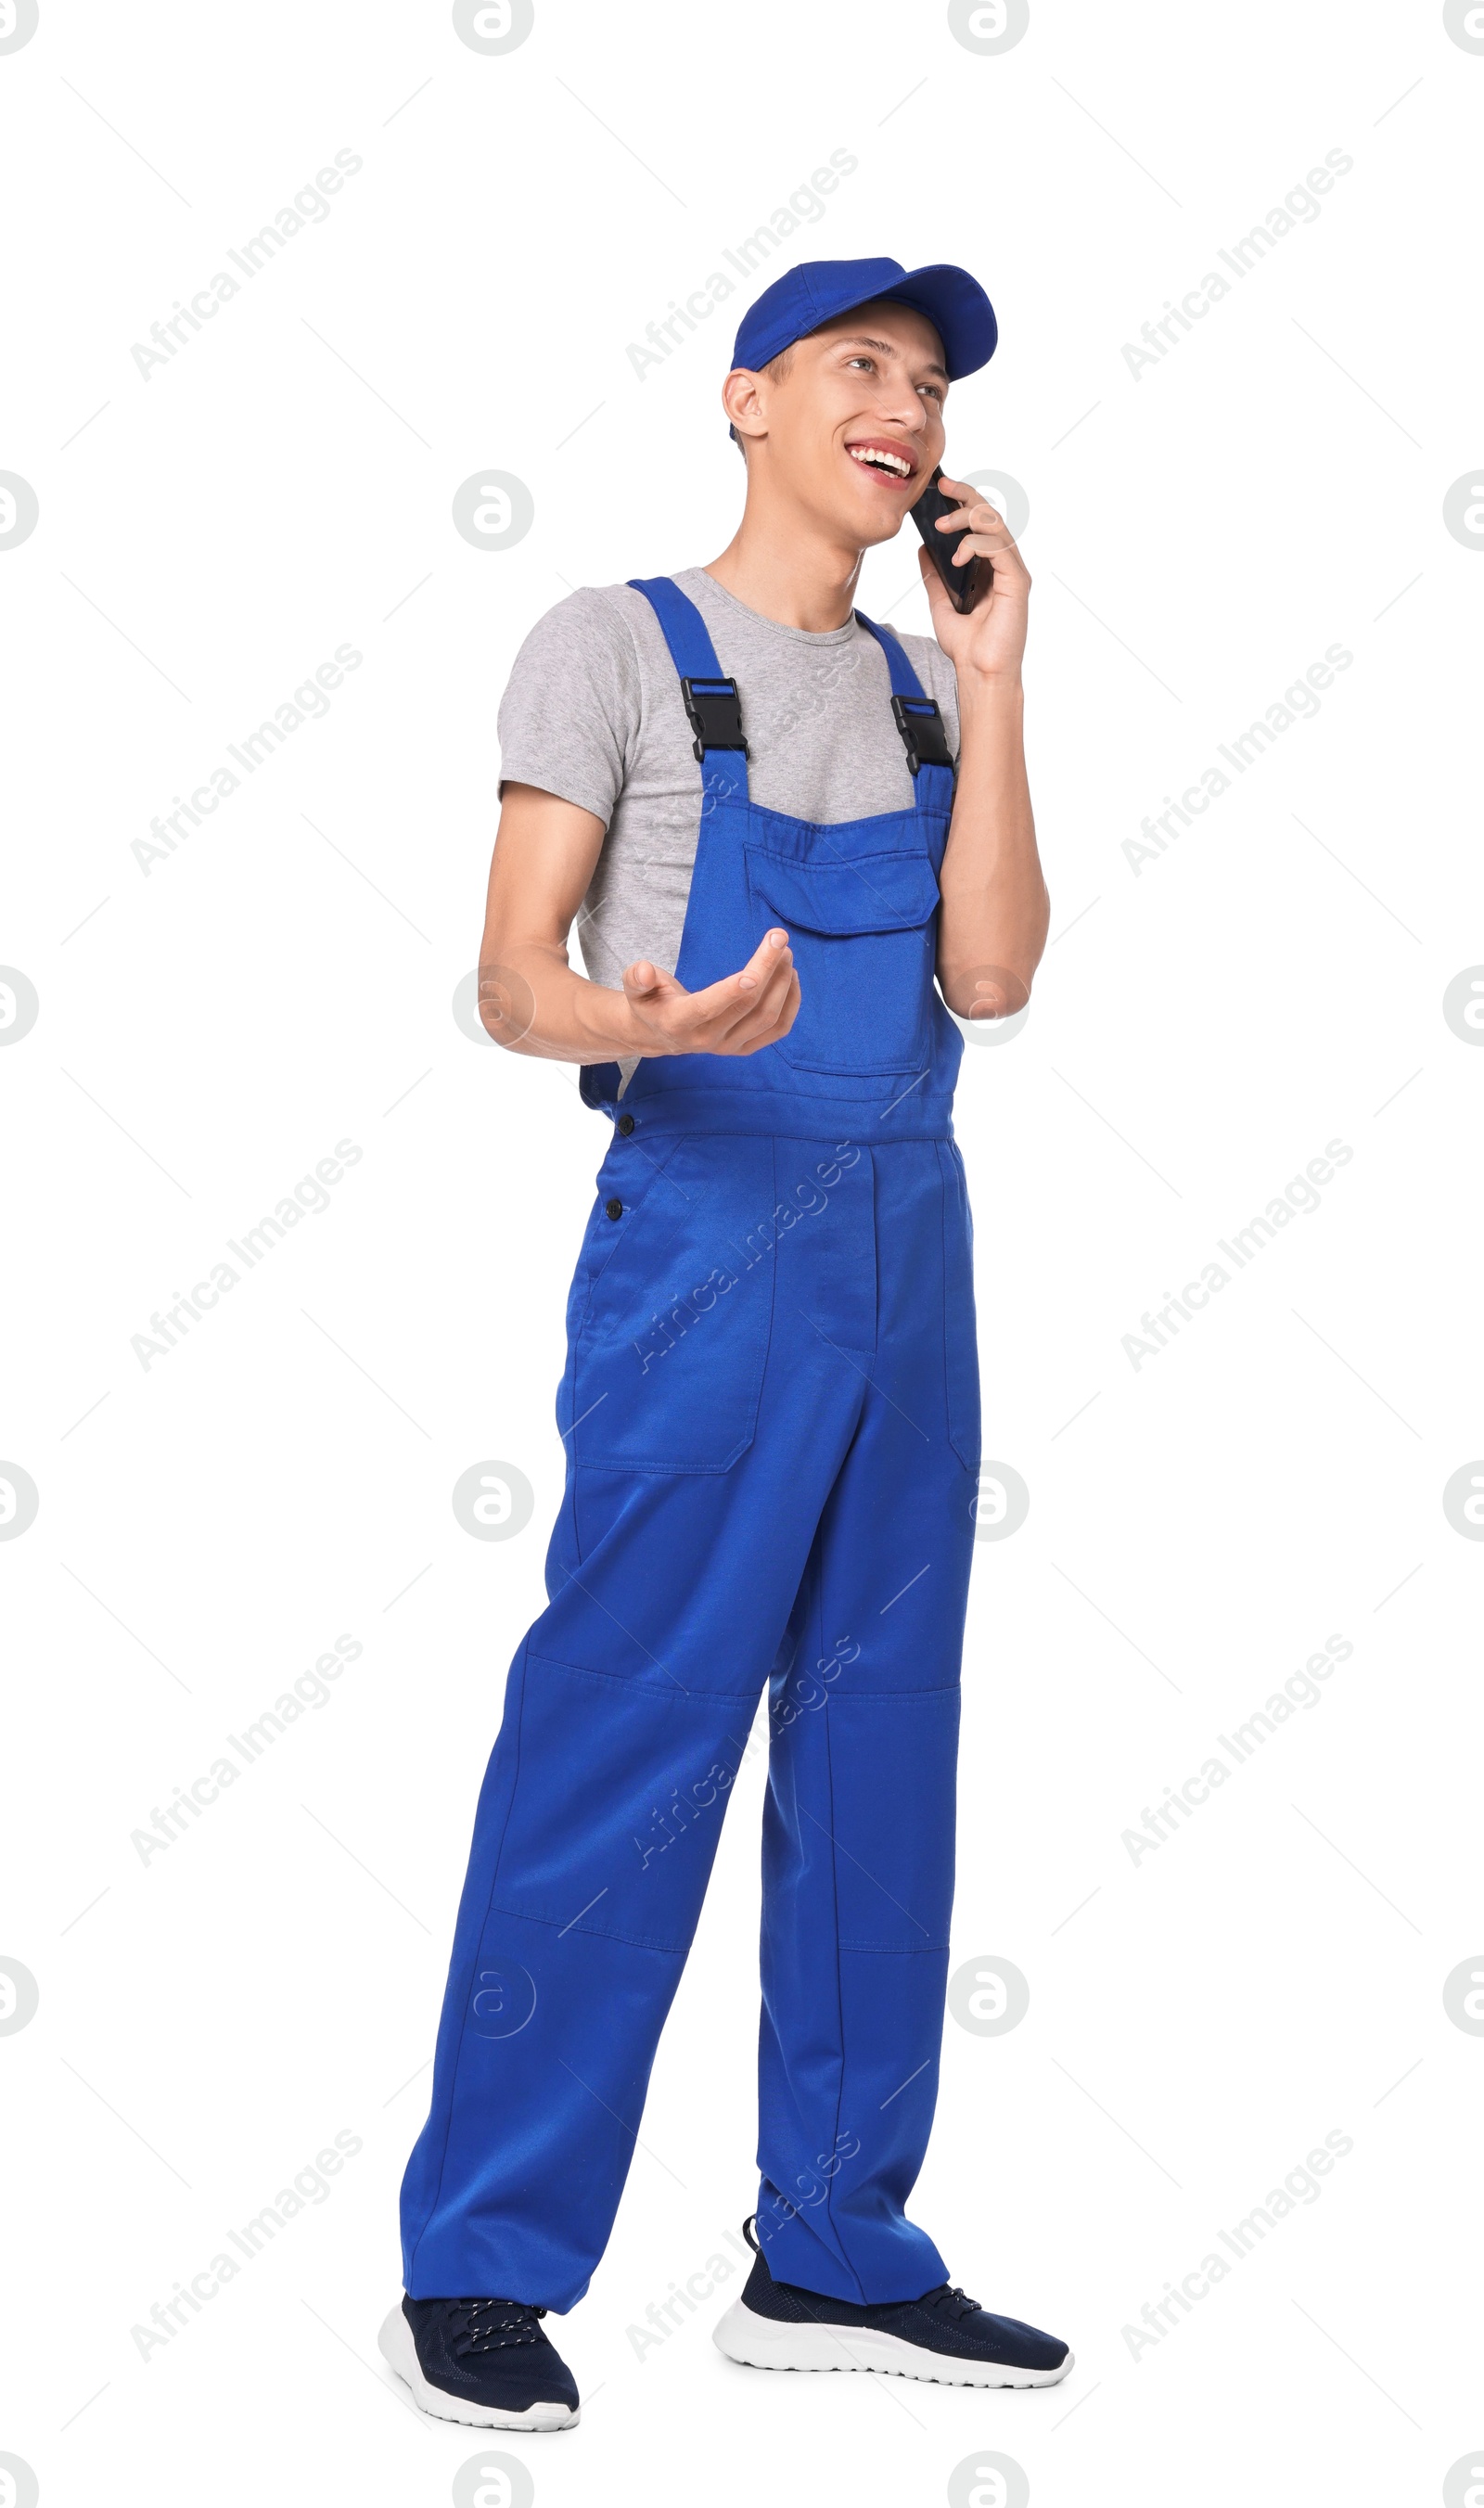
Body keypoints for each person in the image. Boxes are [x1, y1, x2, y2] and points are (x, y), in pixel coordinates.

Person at [379, 255, 1068, 2431]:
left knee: (880, 1746)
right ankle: (483, 2259)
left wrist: (1001, 669)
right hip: (701, 1235)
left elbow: (992, 976)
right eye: (863, 366)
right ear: (749, 398)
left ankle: (833, 2246)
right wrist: (647, 1021)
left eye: (931, 383)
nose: (906, 406)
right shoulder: (610, 644)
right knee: (631, 1730)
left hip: (909, 1247)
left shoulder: (928, 682)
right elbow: (509, 980)